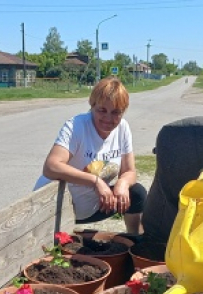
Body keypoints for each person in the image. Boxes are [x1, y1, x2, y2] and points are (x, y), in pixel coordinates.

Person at [37, 77, 146, 234]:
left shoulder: (122, 128)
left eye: (116, 112)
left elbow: (130, 171)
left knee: (137, 193)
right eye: (102, 110)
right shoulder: (76, 126)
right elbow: (51, 166)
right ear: (92, 105)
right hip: (54, 209)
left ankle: (135, 239)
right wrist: (95, 182)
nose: (108, 118)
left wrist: (122, 183)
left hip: (92, 206)